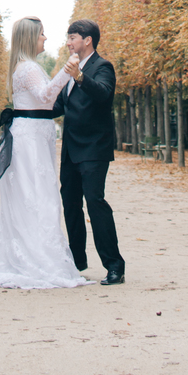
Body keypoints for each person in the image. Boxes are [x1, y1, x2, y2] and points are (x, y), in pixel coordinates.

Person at [0, 16, 87, 289]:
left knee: (33, 195)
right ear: (30, 38)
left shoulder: (26, 66)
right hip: (31, 140)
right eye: (41, 34)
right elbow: (46, 97)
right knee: (38, 195)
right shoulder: (28, 68)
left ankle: (28, 255)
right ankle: (39, 260)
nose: (45, 38)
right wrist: (67, 71)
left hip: (33, 136)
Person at [51, 18, 125, 286]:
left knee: (95, 203)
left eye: (72, 38)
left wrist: (79, 77)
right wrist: (25, 112)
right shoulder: (72, 69)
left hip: (94, 148)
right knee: (70, 204)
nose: (68, 43)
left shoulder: (102, 66)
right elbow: (59, 106)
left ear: (87, 40)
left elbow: (104, 94)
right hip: (71, 150)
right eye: (68, 38)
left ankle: (114, 265)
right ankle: (77, 262)